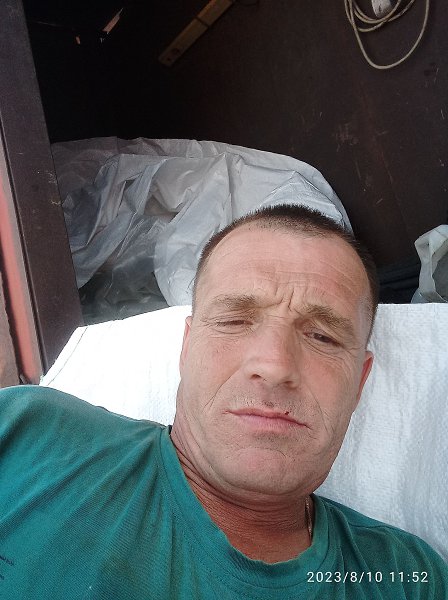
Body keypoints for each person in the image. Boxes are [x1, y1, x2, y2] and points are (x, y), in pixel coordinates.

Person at [0, 204, 446, 599]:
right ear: (186, 348)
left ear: (359, 382)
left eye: (322, 336)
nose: (274, 364)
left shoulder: (406, 579)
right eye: (234, 320)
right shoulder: (27, 433)